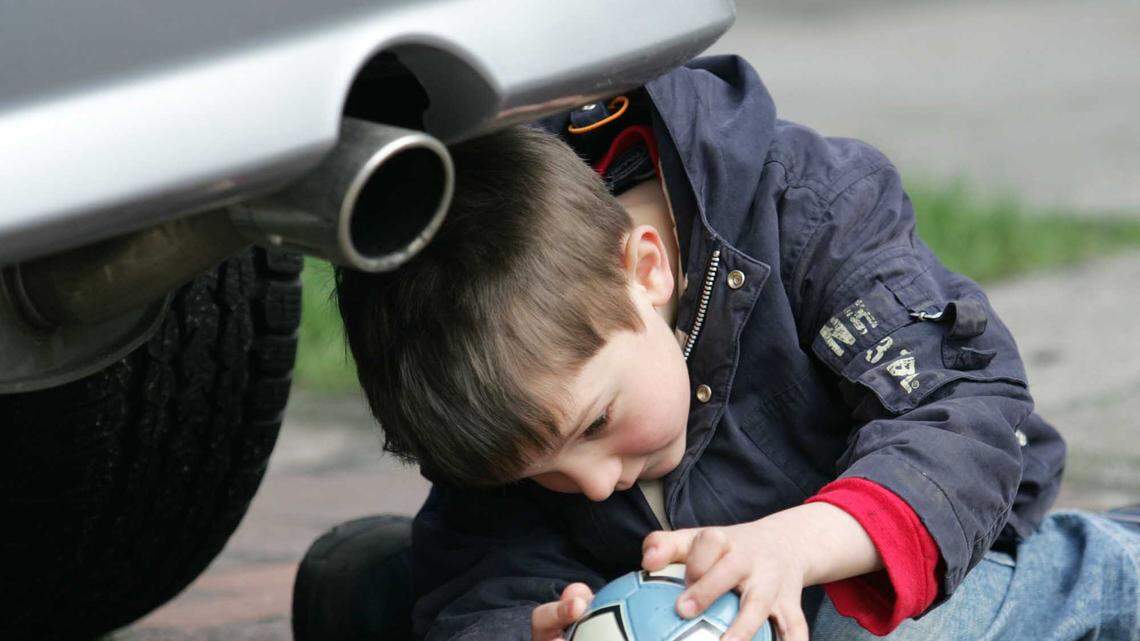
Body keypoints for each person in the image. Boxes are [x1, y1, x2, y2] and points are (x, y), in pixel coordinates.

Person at [331, 56, 1139, 641]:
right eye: (537, 473)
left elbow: (962, 409)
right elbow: (485, 561)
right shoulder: (519, 378)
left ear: (644, 269)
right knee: (414, 598)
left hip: (893, 561)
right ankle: (374, 586)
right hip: (683, 610)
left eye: (595, 425)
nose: (590, 481)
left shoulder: (812, 211)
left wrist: (800, 543)